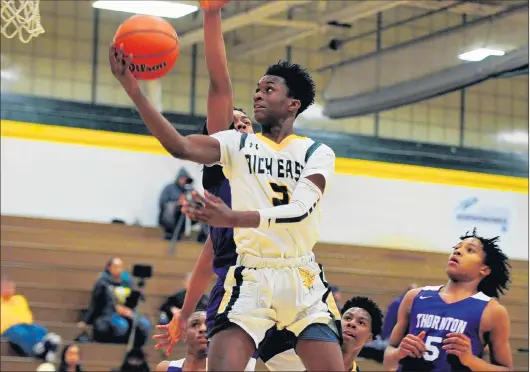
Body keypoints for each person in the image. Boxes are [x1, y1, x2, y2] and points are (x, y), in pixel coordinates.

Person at [120, 1, 342, 370]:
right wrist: (210, 15)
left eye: (265, 91)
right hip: (245, 276)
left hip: (297, 273)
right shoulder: (230, 151)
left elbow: (299, 208)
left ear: (291, 105)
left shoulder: (309, 152)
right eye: (233, 117)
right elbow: (218, 85)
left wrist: (231, 217)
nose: (246, 112)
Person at [383, 229, 513, 371]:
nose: (457, 251)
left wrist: (470, 361)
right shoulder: (414, 296)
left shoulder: (493, 311)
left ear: (484, 269)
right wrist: (398, 353)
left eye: (470, 250)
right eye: (456, 248)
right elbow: (388, 359)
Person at [78, 258, 152, 348]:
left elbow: (133, 301)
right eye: (116, 267)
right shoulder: (102, 282)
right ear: (109, 268)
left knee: (145, 324)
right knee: (122, 326)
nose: (119, 269)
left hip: (128, 312)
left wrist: (136, 293)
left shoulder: (127, 281)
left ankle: (138, 349)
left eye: (120, 267)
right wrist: (85, 321)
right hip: (109, 314)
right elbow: (95, 303)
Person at [1, 278, 61, 362]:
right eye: (6, 287)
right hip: (7, 329)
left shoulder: (19, 299)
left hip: (24, 325)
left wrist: (25, 324)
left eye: (10, 287)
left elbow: (27, 315)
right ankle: (40, 349)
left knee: (40, 329)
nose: (9, 290)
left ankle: (43, 347)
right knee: (19, 332)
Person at [159, 168, 195, 240]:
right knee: (170, 206)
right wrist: (177, 203)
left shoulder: (189, 190)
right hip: (169, 219)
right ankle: (169, 233)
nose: (184, 180)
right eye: (182, 178)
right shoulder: (169, 188)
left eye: (185, 178)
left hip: (183, 219)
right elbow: (162, 203)